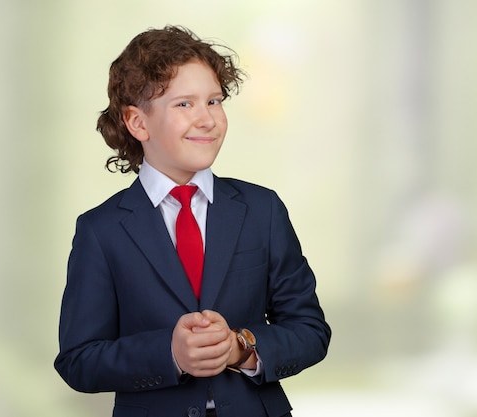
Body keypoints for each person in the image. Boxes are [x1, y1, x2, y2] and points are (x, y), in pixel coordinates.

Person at [53, 25, 331, 417]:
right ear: (137, 122)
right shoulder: (101, 231)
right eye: (184, 104)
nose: (207, 119)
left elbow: (310, 330)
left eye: (214, 101)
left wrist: (242, 347)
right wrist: (171, 354)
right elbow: (79, 360)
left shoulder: (261, 209)